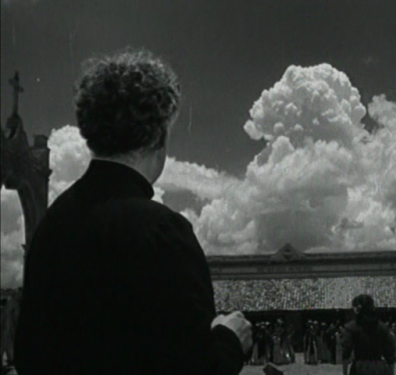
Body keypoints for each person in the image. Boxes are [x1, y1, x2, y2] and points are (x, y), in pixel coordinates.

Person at [14, 49, 252, 375]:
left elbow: (30, 355)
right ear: (159, 136)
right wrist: (229, 340)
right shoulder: (163, 231)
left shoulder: (50, 228)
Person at [341, 295, 396, 375]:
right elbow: (389, 353)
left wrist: (345, 372)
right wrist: (391, 372)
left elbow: (346, 352)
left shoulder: (351, 328)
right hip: (379, 367)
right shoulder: (383, 328)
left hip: (360, 367)